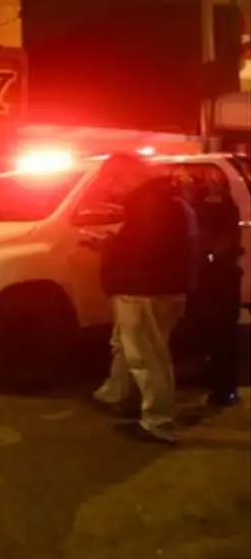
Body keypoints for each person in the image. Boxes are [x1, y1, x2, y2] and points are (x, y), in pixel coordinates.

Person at [91, 154, 199, 444]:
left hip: (145, 291)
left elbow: (144, 252)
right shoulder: (168, 201)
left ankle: (158, 422)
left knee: (147, 359)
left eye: (112, 182)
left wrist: (109, 246)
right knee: (134, 351)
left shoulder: (149, 204)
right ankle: (119, 395)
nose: (111, 190)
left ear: (124, 176)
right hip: (162, 290)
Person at [186, 172, 244, 407]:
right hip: (217, 280)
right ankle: (219, 385)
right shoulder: (216, 206)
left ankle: (222, 388)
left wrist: (208, 258)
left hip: (217, 281)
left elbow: (219, 244)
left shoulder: (218, 208)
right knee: (216, 335)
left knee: (220, 335)